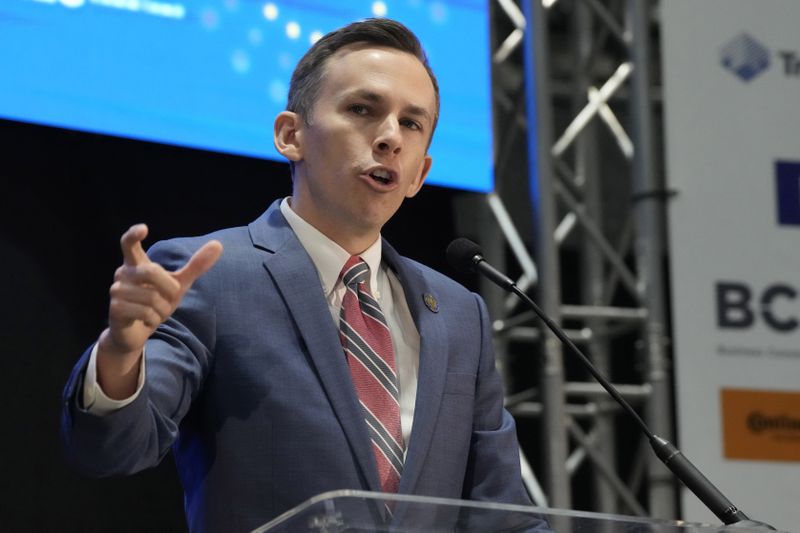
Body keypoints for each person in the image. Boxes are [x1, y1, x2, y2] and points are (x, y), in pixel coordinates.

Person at [61, 18, 531, 532]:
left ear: (420, 172)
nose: (390, 137)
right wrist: (122, 353)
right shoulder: (213, 276)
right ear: (291, 136)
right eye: (362, 110)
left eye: (411, 123)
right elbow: (110, 451)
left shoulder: (461, 314)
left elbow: (504, 514)